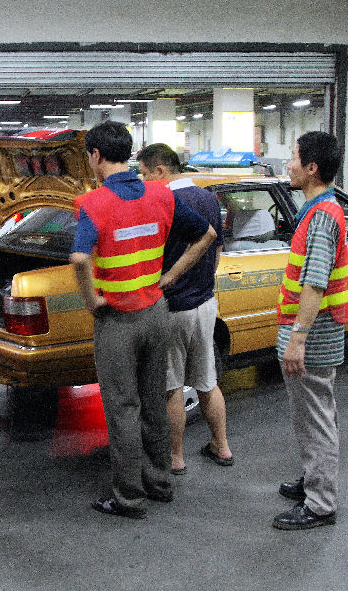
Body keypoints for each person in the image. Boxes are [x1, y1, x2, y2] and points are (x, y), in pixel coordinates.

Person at [71, 121, 216, 519]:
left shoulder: (94, 203)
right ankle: (160, 482)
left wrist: (90, 300)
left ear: (96, 156)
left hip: (118, 320)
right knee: (155, 401)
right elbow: (206, 235)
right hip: (157, 313)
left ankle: (128, 497)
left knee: (122, 408)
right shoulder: (160, 195)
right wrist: (169, 277)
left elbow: (80, 258)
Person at [136, 144, 233, 475]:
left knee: (172, 386)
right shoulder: (208, 198)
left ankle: (176, 457)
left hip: (173, 306)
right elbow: (216, 249)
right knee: (207, 381)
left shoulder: (163, 201)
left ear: (160, 171)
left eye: (145, 174)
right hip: (206, 304)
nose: (143, 181)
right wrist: (202, 282)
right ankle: (221, 446)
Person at [273, 131, 348, 531]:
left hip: (312, 337)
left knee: (315, 418)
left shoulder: (321, 216)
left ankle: (320, 503)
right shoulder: (321, 209)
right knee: (316, 413)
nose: (288, 164)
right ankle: (313, 478)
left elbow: (315, 283)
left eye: (293, 158)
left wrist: (297, 339)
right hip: (316, 334)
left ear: (311, 168)